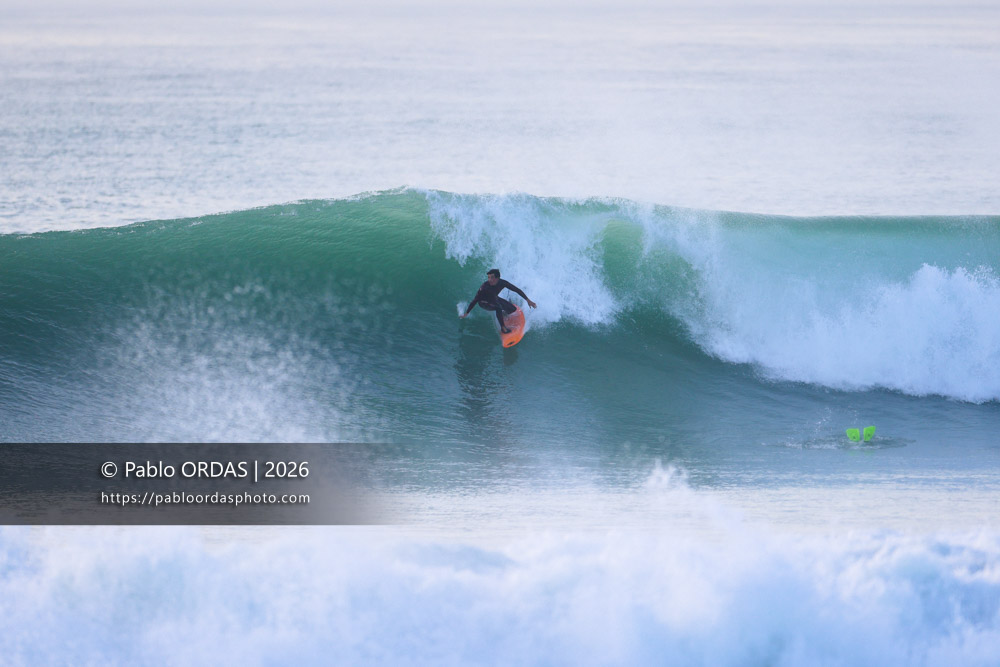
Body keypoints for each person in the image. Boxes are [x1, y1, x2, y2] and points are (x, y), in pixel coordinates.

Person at [459, 269, 537, 333]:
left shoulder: (503, 283)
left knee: (513, 309)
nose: (489, 280)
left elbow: (516, 289)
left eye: (492, 277)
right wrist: (466, 313)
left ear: (498, 278)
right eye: (488, 277)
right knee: (498, 307)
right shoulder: (484, 287)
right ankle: (503, 328)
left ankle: (503, 314)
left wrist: (528, 300)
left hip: (494, 299)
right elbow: (475, 300)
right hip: (484, 303)